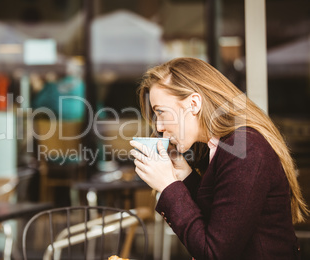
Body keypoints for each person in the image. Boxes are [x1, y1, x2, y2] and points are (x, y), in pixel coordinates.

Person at [129, 57, 308, 259]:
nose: (159, 127)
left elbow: (215, 253)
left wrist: (169, 186)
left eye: (161, 112)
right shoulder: (223, 145)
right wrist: (184, 175)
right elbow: (223, 216)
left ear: (194, 103)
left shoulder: (245, 150)